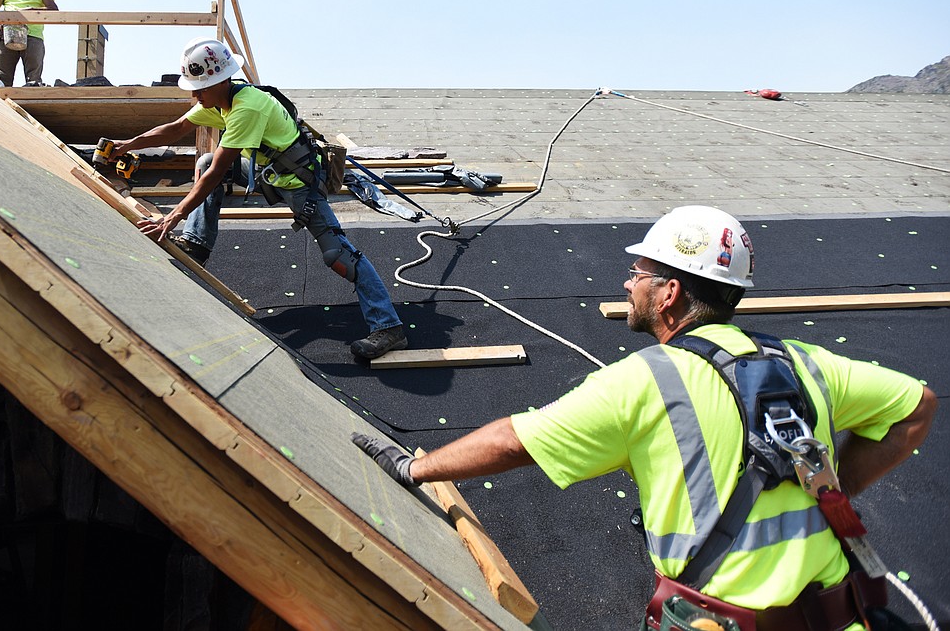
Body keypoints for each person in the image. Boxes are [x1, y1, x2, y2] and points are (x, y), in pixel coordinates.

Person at [353, 205, 936, 629]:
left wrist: (413, 469)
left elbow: (513, 440)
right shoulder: (805, 362)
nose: (627, 283)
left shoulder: (645, 381)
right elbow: (917, 408)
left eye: (638, 273)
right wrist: (833, 490)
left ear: (669, 294)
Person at [107, 38, 408, 360]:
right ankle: (197, 243)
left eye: (201, 88)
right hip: (268, 174)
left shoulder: (247, 108)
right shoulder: (220, 101)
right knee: (204, 161)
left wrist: (172, 217)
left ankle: (388, 327)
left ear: (223, 80)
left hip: (299, 184)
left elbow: (217, 173)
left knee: (339, 255)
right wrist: (129, 144)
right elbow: (176, 128)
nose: (195, 95)